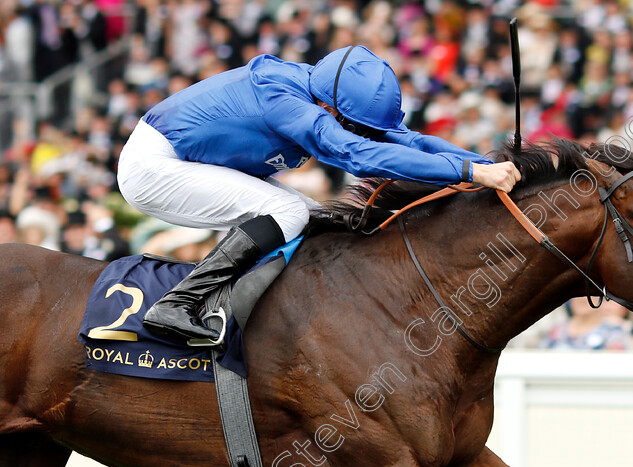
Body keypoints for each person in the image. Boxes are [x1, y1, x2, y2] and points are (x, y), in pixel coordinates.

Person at [116, 45, 521, 342]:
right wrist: (469, 172)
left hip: (194, 160)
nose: (362, 132)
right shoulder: (285, 100)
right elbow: (357, 154)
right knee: (287, 211)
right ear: (330, 109)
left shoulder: (328, 93)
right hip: (154, 166)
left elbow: (409, 141)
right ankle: (177, 304)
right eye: (355, 124)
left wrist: (486, 163)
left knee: (313, 218)